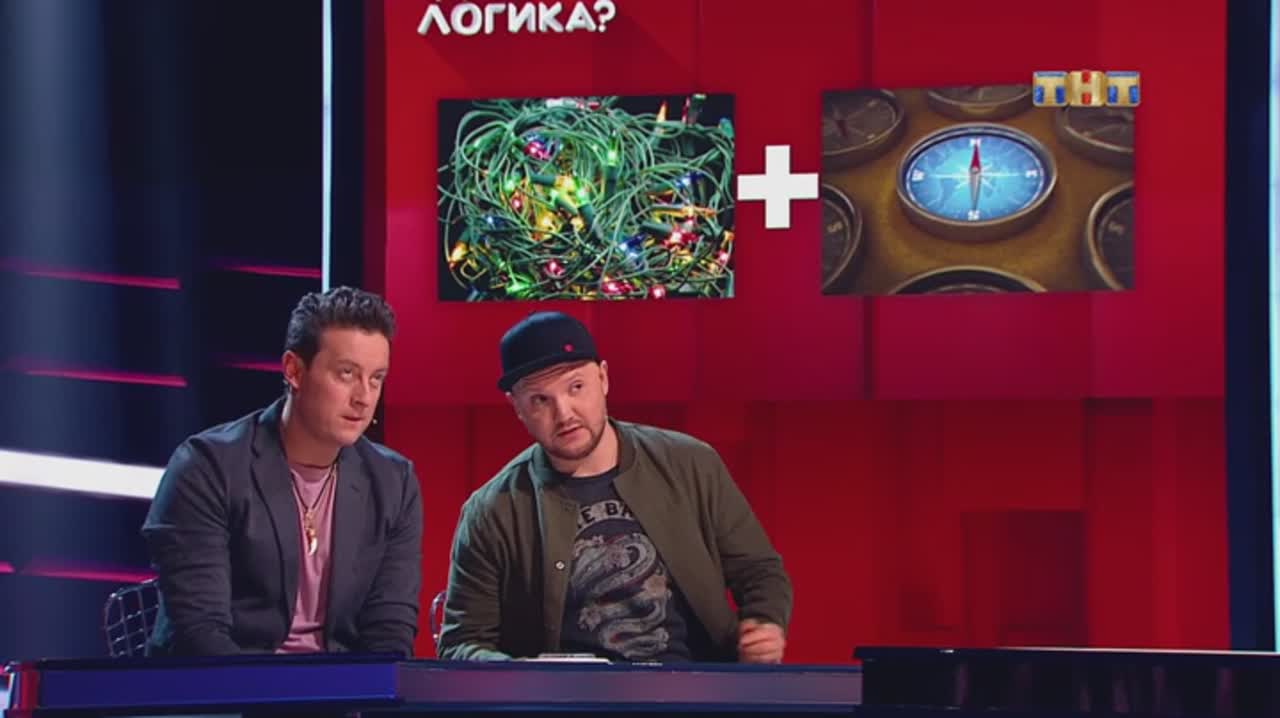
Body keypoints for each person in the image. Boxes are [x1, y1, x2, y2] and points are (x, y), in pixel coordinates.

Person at [438, 311, 792, 663]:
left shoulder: (691, 463)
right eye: (540, 400)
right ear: (516, 407)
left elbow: (759, 570)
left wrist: (764, 624)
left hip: (694, 685)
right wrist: (522, 673)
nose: (564, 413)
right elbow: (460, 644)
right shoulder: (492, 510)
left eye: (576, 387)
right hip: (567, 695)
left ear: (603, 378)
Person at [141, 286, 422, 656]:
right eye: (346, 374)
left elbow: (389, 632)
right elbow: (200, 635)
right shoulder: (206, 469)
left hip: (341, 687)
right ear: (294, 370)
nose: (364, 397)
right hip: (225, 685)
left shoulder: (393, 482)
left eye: (376, 378)